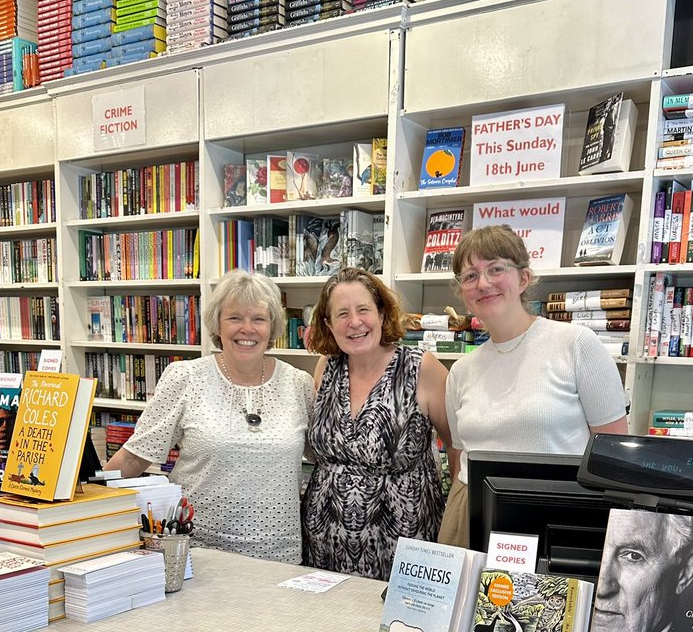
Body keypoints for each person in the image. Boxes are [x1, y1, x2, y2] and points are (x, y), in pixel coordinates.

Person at [104, 269, 313, 562]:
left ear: (273, 326)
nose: (247, 329)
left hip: (280, 558)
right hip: (198, 554)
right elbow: (135, 456)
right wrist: (86, 502)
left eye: (258, 319)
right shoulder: (185, 378)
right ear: (217, 323)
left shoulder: (299, 384)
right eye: (235, 318)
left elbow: (324, 459)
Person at [439, 225, 628, 548]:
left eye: (496, 269)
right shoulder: (461, 371)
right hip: (471, 515)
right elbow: (459, 457)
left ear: (523, 278)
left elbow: (614, 455)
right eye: (470, 276)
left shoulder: (576, 345)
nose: (483, 283)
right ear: (463, 293)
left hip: (558, 515)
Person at [302, 267, 450, 581]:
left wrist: (457, 527)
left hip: (404, 543)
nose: (354, 322)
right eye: (341, 314)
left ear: (382, 314)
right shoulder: (326, 366)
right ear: (329, 324)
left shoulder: (422, 368)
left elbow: (455, 446)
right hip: (324, 541)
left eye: (364, 309)